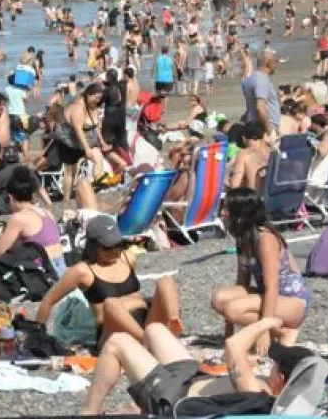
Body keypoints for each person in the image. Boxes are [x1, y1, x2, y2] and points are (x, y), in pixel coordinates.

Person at [82, 317, 309, 415]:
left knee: (117, 342)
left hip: (173, 398)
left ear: (280, 380)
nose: (271, 366)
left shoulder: (258, 392)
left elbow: (233, 345)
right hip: (193, 378)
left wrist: (265, 323)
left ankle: (89, 412)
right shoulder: (283, 392)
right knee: (155, 329)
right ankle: (143, 405)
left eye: (275, 366)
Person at [35, 215, 181, 345]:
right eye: (108, 247)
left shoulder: (127, 258)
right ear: (93, 246)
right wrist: (38, 335)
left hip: (145, 321)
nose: (115, 251)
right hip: (113, 333)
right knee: (111, 303)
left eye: (119, 245)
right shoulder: (82, 271)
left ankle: (173, 324)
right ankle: (147, 342)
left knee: (166, 281)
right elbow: (48, 301)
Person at [210, 188, 309, 348]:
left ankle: (277, 331)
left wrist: (262, 330)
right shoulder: (243, 237)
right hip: (269, 296)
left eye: (227, 208)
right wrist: (229, 330)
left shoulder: (265, 239)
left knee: (233, 309)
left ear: (241, 213)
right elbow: (242, 284)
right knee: (219, 298)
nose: (222, 213)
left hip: (292, 300)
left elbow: (272, 286)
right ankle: (277, 329)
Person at [0, 165, 66, 276]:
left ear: (11, 197)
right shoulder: (46, 212)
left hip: (45, 271)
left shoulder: (19, 218)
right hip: (61, 265)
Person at [242, 51, 280, 139]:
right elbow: (260, 108)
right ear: (268, 63)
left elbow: (251, 106)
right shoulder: (261, 79)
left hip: (256, 127)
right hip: (263, 130)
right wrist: (270, 131)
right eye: (276, 61)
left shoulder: (250, 78)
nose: (277, 64)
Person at [226, 121, 271, 192]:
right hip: (274, 196)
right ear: (263, 135)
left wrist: (225, 178)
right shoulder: (272, 151)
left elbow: (234, 185)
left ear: (243, 138)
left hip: (256, 199)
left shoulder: (244, 155)